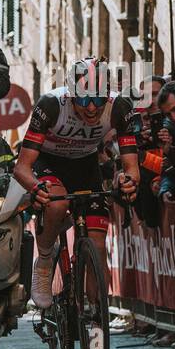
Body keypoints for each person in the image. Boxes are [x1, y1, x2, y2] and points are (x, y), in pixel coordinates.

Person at [13, 59, 140, 321]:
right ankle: (45, 260)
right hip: (48, 162)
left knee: (97, 245)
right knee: (57, 204)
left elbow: (131, 168)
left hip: (85, 166)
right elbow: (22, 168)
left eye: (98, 100)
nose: (92, 108)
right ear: (70, 96)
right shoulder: (50, 105)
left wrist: (126, 182)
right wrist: (37, 188)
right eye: (83, 100)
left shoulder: (120, 107)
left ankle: (96, 333)